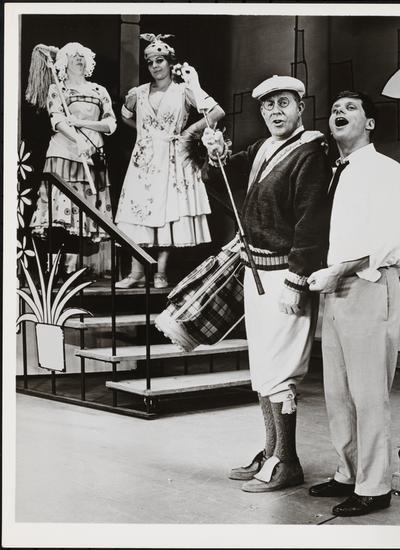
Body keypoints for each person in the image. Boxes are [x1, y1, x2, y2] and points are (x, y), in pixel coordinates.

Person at [201, 75, 332, 492]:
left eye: (283, 103)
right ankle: (271, 449)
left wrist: (297, 280)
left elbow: (311, 222)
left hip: (285, 276)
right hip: (255, 270)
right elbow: (220, 179)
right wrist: (215, 155)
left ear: (300, 107)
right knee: (263, 368)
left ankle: (287, 460)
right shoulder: (261, 148)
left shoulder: (312, 151)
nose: (275, 111)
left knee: (281, 371)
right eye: (268, 105)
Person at [307, 91, 400, 516]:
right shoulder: (338, 172)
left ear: (370, 123)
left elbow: (388, 241)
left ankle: (375, 486)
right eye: (335, 108)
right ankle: (347, 472)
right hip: (336, 287)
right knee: (337, 391)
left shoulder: (386, 171)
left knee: (369, 393)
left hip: (369, 284)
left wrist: (339, 270)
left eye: (350, 108)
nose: (339, 112)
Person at [115, 33, 225, 289]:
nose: (155, 66)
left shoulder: (183, 90)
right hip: (143, 159)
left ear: (169, 62)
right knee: (137, 212)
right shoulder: (139, 92)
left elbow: (216, 111)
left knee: (166, 213)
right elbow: (125, 116)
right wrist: (145, 133)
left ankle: (160, 272)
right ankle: (136, 272)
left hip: (172, 158)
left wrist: (188, 132)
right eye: (150, 62)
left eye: (160, 60)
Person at [30, 42, 116, 277]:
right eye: (73, 55)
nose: (79, 59)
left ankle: (73, 270)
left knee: (83, 215)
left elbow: (111, 124)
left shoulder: (99, 90)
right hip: (64, 154)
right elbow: (57, 119)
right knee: (59, 213)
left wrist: (83, 125)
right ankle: (52, 270)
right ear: (63, 62)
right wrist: (77, 139)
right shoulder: (58, 89)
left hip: (92, 156)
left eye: (82, 55)